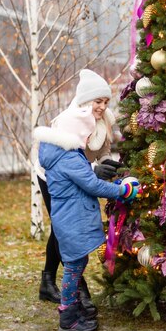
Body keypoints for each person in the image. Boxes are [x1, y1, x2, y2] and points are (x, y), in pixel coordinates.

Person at [34, 105, 139, 331]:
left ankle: (73, 306)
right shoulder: (69, 159)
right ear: (77, 133)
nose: (91, 137)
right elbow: (92, 185)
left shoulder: (67, 154)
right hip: (72, 221)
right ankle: (68, 317)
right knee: (73, 267)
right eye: (88, 134)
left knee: (78, 264)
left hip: (72, 218)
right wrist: (122, 191)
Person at [36, 69, 123, 313]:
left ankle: (47, 282)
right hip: (53, 176)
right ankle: (78, 291)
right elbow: (66, 161)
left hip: (82, 175)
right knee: (64, 228)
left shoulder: (104, 118)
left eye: (106, 102)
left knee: (61, 227)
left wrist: (106, 163)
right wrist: (93, 171)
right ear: (86, 101)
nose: (102, 106)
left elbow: (103, 148)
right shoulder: (69, 121)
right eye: (98, 101)